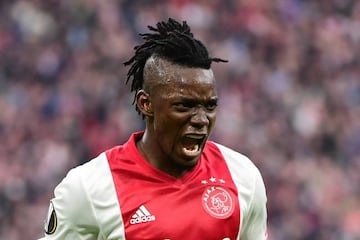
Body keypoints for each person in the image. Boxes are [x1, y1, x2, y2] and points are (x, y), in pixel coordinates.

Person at [39, 18, 268, 240]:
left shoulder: (243, 177)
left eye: (209, 106)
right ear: (146, 104)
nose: (201, 120)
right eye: (184, 106)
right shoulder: (88, 188)